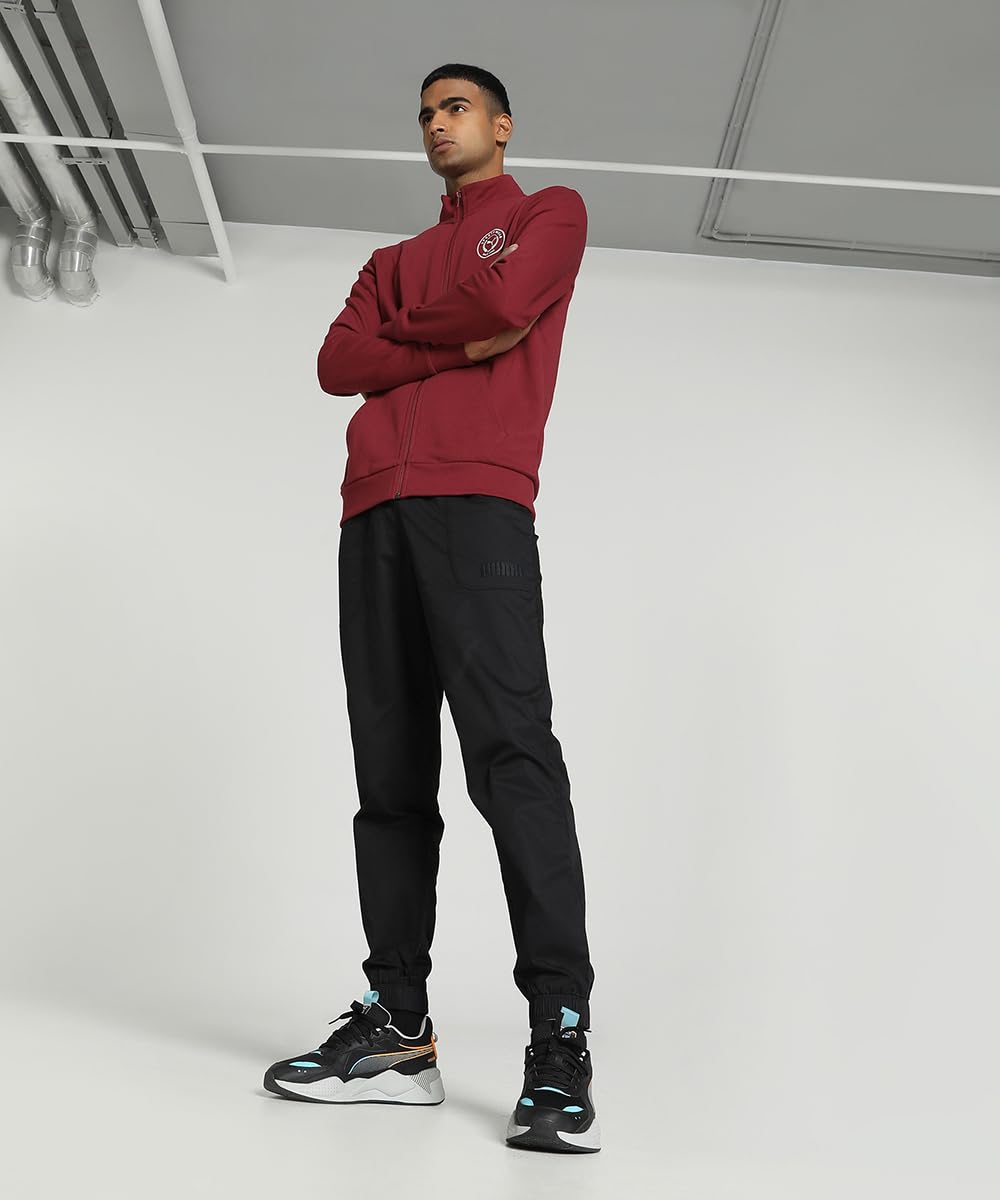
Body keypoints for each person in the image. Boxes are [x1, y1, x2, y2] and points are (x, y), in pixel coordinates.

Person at [263, 63, 599, 1154]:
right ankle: (399, 1033)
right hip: (373, 517)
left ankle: (558, 1041)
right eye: (425, 114)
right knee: (389, 781)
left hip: (479, 510)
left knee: (513, 763)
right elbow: (335, 363)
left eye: (455, 109)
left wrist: (408, 346)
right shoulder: (389, 263)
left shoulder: (548, 215)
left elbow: (505, 302)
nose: (436, 125)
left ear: (501, 124)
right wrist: (450, 346)